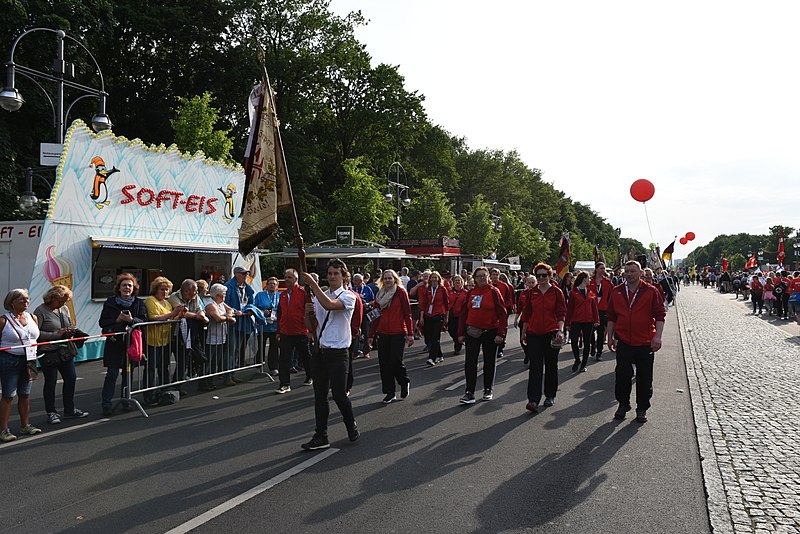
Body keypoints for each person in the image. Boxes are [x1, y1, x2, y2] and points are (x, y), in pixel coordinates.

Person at [300, 259, 359, 450]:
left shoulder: (349, 296)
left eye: (336, 273)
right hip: (320, 351)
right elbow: (310, 326)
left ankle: (350, 424)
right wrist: (307, 312)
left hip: (339, 352)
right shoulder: (319, 296)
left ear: (344, 276)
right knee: (320, 396)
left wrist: (312, 284)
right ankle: (321, 435)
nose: (332, 277)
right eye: (330, 273)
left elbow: (331, 306)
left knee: (340, 394)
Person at [606, 261, 666, 423]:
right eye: (627, 271)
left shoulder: (651, 291)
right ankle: (623, 404)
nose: (629, 274)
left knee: (645, 378)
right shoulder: (617, 291)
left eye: (633, 271)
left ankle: (642, 408)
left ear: (640, 273)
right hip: (624, 340)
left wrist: (657, 337)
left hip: (645, 341)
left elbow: (660, 315)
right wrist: (610, 337)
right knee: (622, 375)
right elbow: (611, 316)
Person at [33, 285, 88, 424]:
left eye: (65, 301)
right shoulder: (40, 311)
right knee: (50, 382)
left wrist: (72, 332)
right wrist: (55, 334)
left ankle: (69, 409)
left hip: (64, 349)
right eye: (60, 301)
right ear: (52, 298)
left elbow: (68, 325)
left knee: (71, 378)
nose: (63, 303)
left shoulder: (64, 309)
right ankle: (51, 412)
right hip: (48, 352)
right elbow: (35, 333)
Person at [457, 266, 507, 404]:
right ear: (474, 278)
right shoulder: (470, 293)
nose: (482, 278)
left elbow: (502, 313)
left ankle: (487, 389)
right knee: (470, 362)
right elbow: (463, 313)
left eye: (484, 276)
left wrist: (501, 333)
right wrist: (460, 333)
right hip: (472, 331)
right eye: (479, 276)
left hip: (490, 332)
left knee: (489, 361)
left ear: (488, 277)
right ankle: (469, 392)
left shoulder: (494, 292)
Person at [98, 274, 147, 416]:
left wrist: (132, 320)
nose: (127, 288)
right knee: (112, 374)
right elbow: (102, 322)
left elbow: (144, 320)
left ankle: (126, 400)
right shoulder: (110, 302)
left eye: (129, 285)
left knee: (128, 373)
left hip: (131, 343)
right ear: (118, 288)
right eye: (124, 285)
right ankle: (106, 404)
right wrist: (117, 319)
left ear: (134, 288)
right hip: (115, 343)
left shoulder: (139, 303)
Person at [520, 263, 566, 412]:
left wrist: (560, 330)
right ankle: (533, 400)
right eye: (538, 275)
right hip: (534, 333)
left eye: (544, 275)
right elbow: (526, 314)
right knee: (535, 367)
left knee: (551, 365)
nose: (541, 278)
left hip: (552, 332)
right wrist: (523, 333)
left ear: (550, 276)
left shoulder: (557, 292)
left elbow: (561, 313)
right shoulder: (531, 293)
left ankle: (550, 395)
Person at [0, 289, 41, 442]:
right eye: (22, 299)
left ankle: (25, 425)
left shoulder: (32, 317)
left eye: (27, 299)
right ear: (12, 302)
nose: (26, 302)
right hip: (10, 360)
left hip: (30, 360)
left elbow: (36, 337)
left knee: (25, 394)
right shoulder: (3, 321)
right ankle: (4, 430)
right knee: (8, 396)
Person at [367, 269, 413, 403]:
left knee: (395, 361)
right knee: (384, 364)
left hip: (398, 331)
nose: (387, 280)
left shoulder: (400, 292)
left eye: (390, 278)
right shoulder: (380, 295)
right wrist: (371, 335)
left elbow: (407, 314)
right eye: (385, 278)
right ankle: (389, 392)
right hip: (382, 332)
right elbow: (375, 315)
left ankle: (404, 382)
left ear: (395, 279)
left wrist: (410, 333)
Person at [144, 277, 183, 402]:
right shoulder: (150, 300)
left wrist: (179, 314)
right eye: (162, 289)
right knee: (151, 369)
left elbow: (170, 319)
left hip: (165, 340)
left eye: (167, 290)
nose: (165, 292)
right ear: (156, 289)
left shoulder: (167, 303)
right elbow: (153, 318)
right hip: (153, 340)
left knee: (164, 367)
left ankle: (164, 390)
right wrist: (172, 314)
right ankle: (148, 394)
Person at [276, 269, 312, 394]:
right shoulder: (283, 295)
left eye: (289, 277)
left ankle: (310, 375)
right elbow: (280, 313)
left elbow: (309, 312)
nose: (286, 279)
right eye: (285, 277)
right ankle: (284, 384)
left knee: (305, 356)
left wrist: (310, 330)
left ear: (295, 279)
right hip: (286, 332)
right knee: (284, 359)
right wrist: (278, 331)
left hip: (300, 331)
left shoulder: (303, 293)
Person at [168, 279, 209, 386]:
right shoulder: (174, 297)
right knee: (179, 361)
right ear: (186, 291)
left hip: (191, 333)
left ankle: (189, 379)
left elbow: (200, 309)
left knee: (194, 357)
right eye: (194, 291)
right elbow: (181, 313)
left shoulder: (195, 297)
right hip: (175, 334)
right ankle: (173, 386)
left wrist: (202, 315)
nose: (196, 293)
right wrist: (196, 316)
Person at [224, 266, 255, 381]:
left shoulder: (247, 287)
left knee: (237, 349)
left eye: (246, 273)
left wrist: (250, 309)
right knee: (231, 349)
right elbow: (224, 303)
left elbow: (251, 301)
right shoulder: (228, 286)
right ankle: (228, 375)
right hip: (233, 322)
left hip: (244, 321)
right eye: (243, 273)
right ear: (236, 274)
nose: (245, 275)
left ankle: (232, 374)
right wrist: (233, 311)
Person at [565, 271, 599, 373]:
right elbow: (569, 309)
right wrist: (567, 323)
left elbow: (594, 308)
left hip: (588, 321)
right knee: (574, 341)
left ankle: (583, 363)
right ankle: (577, 359)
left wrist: (597, 320)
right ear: (584, 279)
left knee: (587, 343)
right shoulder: (573, 292)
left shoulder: (590, 293)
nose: (590, 280)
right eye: (588, 278)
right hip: (576, 320)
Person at [204, 283, 236, 389]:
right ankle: (205, 381)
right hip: (211, 337)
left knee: (215, 361)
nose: (225, 296)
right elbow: (217, 318)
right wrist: (228, 318)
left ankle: (211, 380)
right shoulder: (210, 304)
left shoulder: (221, 303)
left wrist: (228, 315)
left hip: (221, 337)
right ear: (217, 295)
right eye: (224, 294)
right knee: (209, 361)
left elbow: (230, 310)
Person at [418, 270, 450, 366]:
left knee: (436, 337)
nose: (434, 279)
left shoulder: (442, 289)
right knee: (431, 336)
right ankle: (439, 355)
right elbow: (424, 304)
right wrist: (422, 317)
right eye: (432, 277)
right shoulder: (427, 289)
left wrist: (446, 317)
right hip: (428, 315)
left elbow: (447, 303)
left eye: (435, 277)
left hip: (439, 314)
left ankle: (432, 357)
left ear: (438, 279)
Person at [254, 277, 281, 376]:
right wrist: (262, 312)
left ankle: (273, 367)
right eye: (270, 283)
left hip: (275, 326)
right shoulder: (260, 295)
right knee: (261, 346)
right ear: (267, 285)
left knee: (274, 347)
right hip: (263, 326)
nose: (272, 285)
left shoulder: (280, 295)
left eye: (274, 284)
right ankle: (258, 366)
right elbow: (254, 308)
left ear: (277, 286)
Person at [588, 262, 613, 360]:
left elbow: (612, 295)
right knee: (590, 331)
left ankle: (599, 352)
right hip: (591, 309)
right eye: (601, 268)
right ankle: (592, 346)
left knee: (601, 331)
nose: (603, 270)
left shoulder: (607, 282)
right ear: (596, 269)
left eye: (604, 268)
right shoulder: (590, 281)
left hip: (603, 309)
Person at [490, 268, 514, 358]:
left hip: (502, 311)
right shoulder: (488, 285)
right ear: (490, 276)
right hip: (491, 311)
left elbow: (509, 298)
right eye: (493, 274)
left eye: (497, 274)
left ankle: (500, 348)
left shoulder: (504, 286)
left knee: (502, 327)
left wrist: (505, 306)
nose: (495, 276)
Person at [350, 274, 374, 359]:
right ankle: (355, 352)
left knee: (366, 333)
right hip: (356, 314)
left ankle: (366, 351)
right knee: (356, 333)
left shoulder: (368, 289)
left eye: (356, 280)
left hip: (366, 313)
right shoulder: (352, 290)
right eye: (354, 280)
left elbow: (373, 301)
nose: (354, 282)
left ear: (361, 281)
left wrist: (367, 304)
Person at [515, 275, 537, 366]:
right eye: (529, 282)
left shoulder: (539, 293)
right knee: (522, 340)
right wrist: (516, 319)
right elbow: (519, 307)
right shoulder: (523, 293)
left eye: (533, 282)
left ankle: (533, 357)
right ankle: (527, 354)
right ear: (526, 283)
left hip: (535, 321)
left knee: (532, 341)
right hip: (524, 320)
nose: (531, 284)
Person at [446, 275, 468, 356]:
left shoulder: (466, 292)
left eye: (459, 280)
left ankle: (457, 347)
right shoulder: (450, 292)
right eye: (456, 281)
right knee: (451, 331)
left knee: (459, 331)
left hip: (461, 316)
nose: (457, 282)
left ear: (462, 282)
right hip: (452, 315)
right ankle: (457, 341)